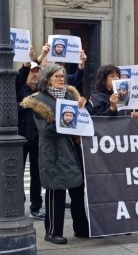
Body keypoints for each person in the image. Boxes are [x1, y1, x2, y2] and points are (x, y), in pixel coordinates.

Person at [20, 64, 90, 244]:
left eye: (63, 76)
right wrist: (66, 120)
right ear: (47, 78)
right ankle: (52, 231)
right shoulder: (38, 100)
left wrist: (81, 108)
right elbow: (45, 131)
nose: (61, 79)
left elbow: (82, 122)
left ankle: (82, 228)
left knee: (77, 190)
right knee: (55, 191)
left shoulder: (70, 96)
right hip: (53, 152)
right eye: (57, 76)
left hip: (72, 150)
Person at [17, 58, 44, 218]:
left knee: (37, 173)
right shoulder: (19, 87)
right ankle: (19, 203)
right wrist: (25, 104)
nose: (35, 74)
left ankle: (36, 206)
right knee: (18, 172)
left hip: (37, 137)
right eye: (32, 71)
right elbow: (11, 107)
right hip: (21, 136)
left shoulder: (41, 91)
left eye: (37, 71)